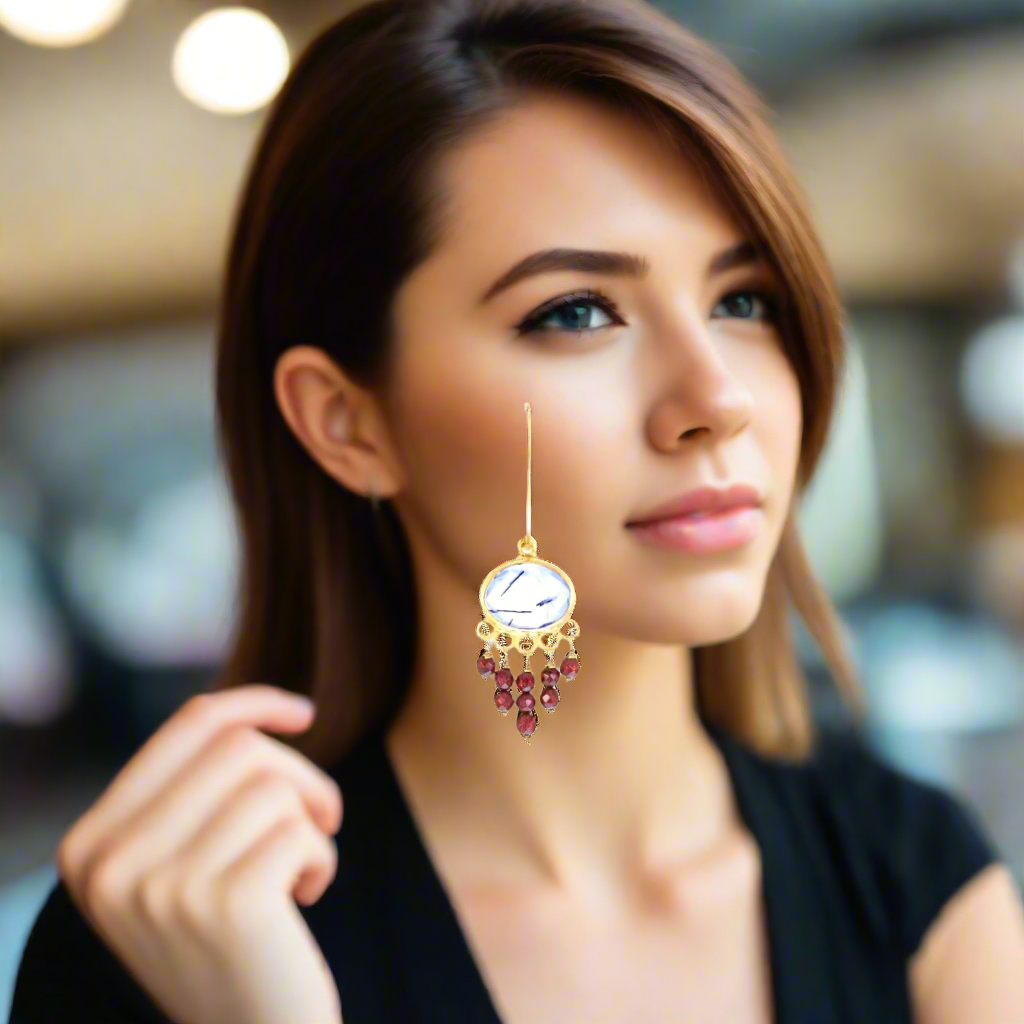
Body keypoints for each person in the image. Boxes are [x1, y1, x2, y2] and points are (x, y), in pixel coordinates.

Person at [10, 0, 1024, 1021]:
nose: (714, 398)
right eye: (574, 313)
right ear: (349, 423)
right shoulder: (166, 942)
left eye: (742, 299)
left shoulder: (911, 877)